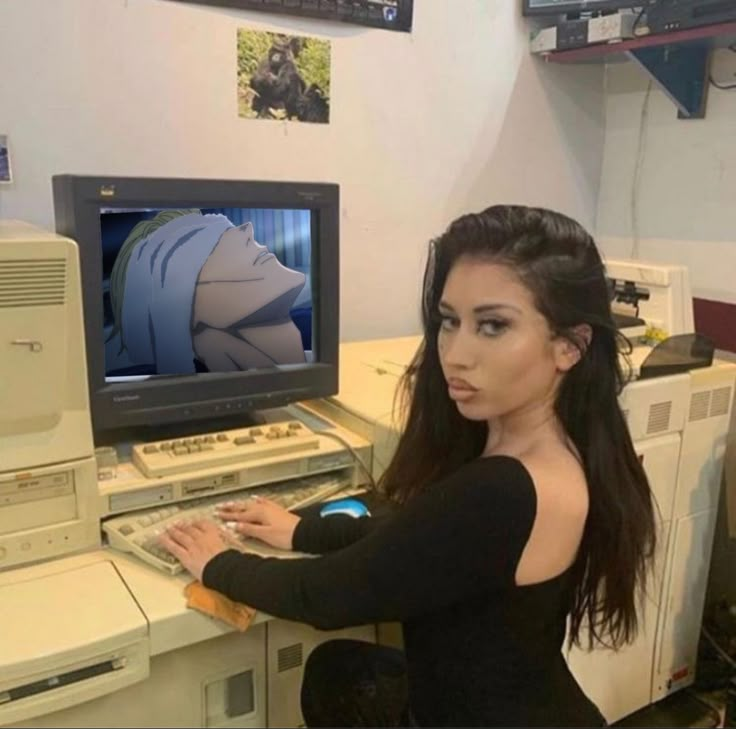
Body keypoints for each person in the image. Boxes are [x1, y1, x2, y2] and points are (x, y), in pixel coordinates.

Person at [159, 205, 657, 727]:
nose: (455, 354)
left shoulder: (504, 490)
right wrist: (304, 530)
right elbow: (422, 538)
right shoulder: (556, 448)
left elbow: (324, 596)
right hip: (514, 699)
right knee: (339, 669)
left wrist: (218, 561)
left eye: (492, 326)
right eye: (449, 321)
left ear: (570, 346)